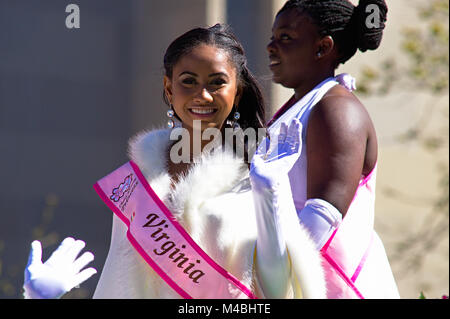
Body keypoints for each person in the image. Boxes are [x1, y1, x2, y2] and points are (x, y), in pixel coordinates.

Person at [23, 24, 327, 299]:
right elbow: (121, 283)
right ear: (169, 89)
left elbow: (279, 291)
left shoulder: (261, 173)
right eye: (188, 81)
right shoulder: (136, 180)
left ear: (237, 92)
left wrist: (268, 192)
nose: (203, 96)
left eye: (217, 82)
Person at [265, 0, 400, 298]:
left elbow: (321, 216)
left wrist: (266, 281)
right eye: (274, 37)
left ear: (322, 47)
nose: (271, 47)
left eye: (285, 37)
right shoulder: (297, 108)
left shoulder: (336, 109)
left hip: (334, 287)